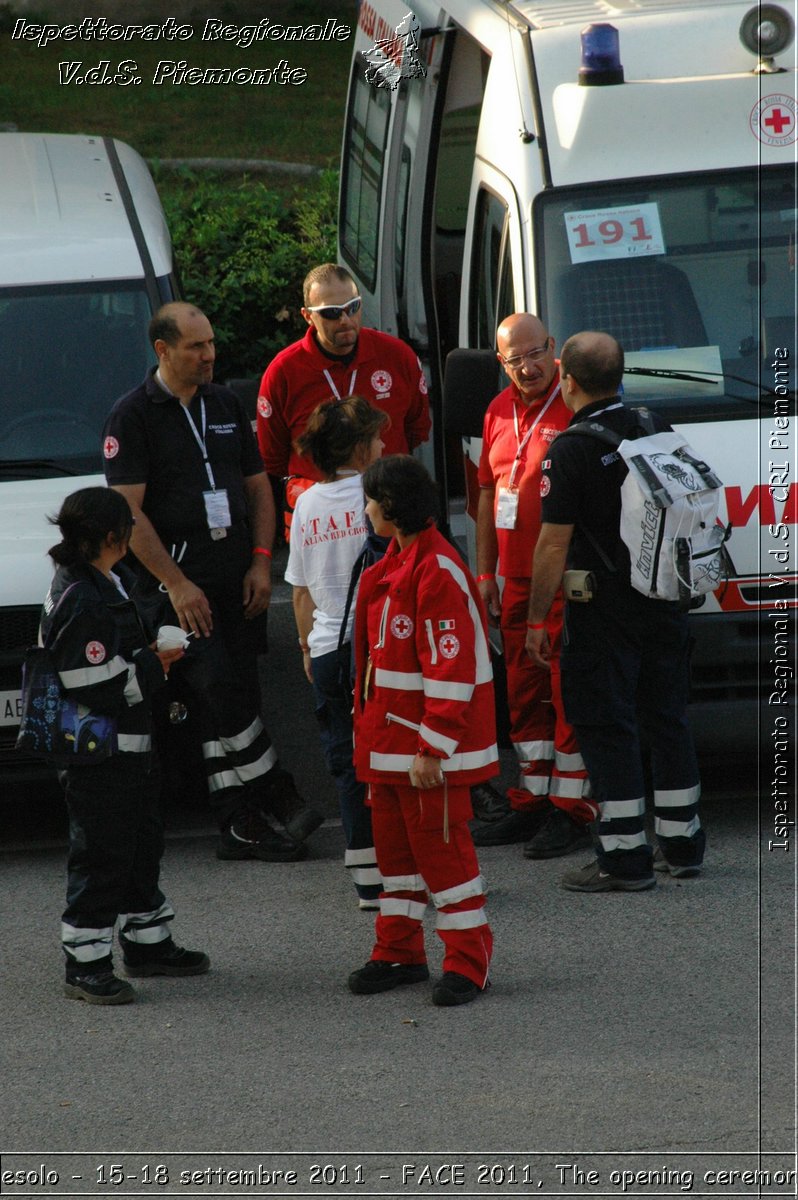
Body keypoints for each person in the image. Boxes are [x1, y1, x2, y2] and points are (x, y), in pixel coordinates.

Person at [102, 301, 323, 863]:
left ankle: (238, 822)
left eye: (211, 344)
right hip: (177, 587)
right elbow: (127, 518)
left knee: (228, 699)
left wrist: (258, 563)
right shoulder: (132, 415)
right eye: (196, 346)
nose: (209, 355)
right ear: (163, 350)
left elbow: (256, 490)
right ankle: (277, 788)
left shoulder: (224, 402)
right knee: (215, 684)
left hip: (234, 578)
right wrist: (175, 584)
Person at [526, 331, 706, 891]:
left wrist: (536, 620)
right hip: (666, 600)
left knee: (607, 725)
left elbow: (553, 544)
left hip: (604, 609)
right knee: (668, 719)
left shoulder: (570, 449)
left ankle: (624, 857)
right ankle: (682, 846)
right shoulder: (656, 425)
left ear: (568, 379)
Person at [41, 488, 209, 1005]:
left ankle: (147, 943)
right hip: (100, 756)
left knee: (140, 845)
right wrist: (153, 665)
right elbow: (90, 680)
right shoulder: (83, 596)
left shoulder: (105, 580)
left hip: (129, 750)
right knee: (102, 856)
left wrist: (147, 644)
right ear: (113, 537)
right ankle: (85, 964)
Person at [348, 456, 497, 1006]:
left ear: (391, 508)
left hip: (421, 751)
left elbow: (449, 670)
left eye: (370, 500)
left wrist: (433, 747)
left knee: (444, 860)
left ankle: (468, 961)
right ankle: (399, 952)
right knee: (396, 864)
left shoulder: (434, 571)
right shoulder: (399, 561)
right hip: (390, 747)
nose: (365, 509)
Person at [471, 313, 596, 857]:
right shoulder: (497, 410)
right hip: (513, 579)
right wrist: (483, 573)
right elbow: (484, 496)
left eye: (535, 352)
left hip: (564, 576)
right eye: (514, 358)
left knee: (566, 691)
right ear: (501, 363)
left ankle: (572, 809)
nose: (527, 366)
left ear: (554, 349)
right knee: (523, 694)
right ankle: (533, 799)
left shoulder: (576, 406)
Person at [285, 396, 388, 909]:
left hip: (327, 649)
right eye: (378, 438)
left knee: (347, 765)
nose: (386, 445)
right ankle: (408, 868)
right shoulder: (379, 493)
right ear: (361, 451)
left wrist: (306, 647)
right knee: (393, 758)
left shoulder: (305, 504)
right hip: (380, 649)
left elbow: (300, 592)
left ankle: (367, 877)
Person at [256, 263, 431, 535]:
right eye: (331, 313)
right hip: (323, 526)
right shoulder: (284, 372)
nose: (346, 320)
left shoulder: (397, 356)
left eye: (353, 307)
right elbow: (273, 458)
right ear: (307, 316)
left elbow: (416, 429)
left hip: (390, 517)